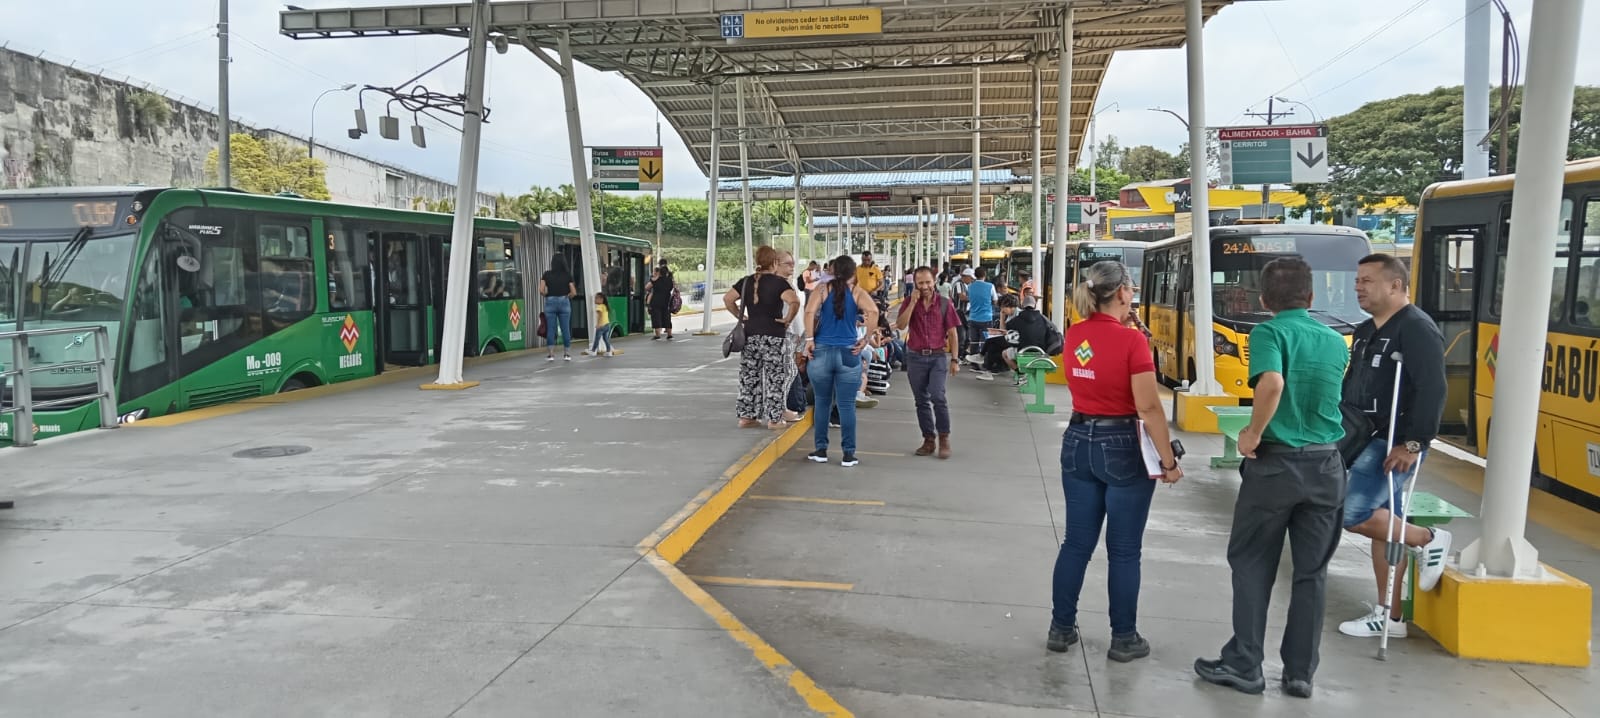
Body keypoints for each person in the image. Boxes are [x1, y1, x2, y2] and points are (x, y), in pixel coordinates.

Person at [1194, 257, 1350, 699]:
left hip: (1277, 465)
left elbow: (1273, 384)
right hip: (1325, 466)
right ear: (1312, 297)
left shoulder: (1269, 332)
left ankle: (1245, 663)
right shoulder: (1336, 340)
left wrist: (1252, 433)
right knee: (1311, 572)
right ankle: (1300, 672)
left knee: (1251, 562)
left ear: (1264, 300)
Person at [1049, 260, 1183, 663]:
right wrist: (1167, 462)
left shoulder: (1075, 334)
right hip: (1122, 444)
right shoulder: (1131, 342)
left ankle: (1061, 627)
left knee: (1076, 543)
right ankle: (1123, 638)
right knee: (1124, 550)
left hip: (1078, 439)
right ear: (1123, 292)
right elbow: (1148, 407)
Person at [1335, 253, 1451, 639]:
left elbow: (1433, 389)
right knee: (1386, 526)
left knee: (1353, 513)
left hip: (1394, 441)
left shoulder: (1416, 329)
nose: (1359, 287)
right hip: (1363, 436)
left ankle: (1428, 539)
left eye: (1367, 280)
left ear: (1396, 286)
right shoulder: (1367, 330)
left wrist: (1414, 443)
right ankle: (1391, 616)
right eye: (1358, 280)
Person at [804, 254, 879, 467]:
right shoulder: (857, 292)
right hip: (849, 353)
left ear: (833, 271)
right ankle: (848, 454)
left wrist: (810, 339)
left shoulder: (821, 290)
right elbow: (873, 311)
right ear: (853, 273)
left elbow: (809, 311)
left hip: (821, 353)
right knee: (846, 405)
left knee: (822, 402)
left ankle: (820, 450)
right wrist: (866, 339)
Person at [725, 246, 802, 430]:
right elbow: (794, 301)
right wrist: (787, 320)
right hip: (773, 336)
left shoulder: (746, 282)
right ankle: (775, 419)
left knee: (749, 376)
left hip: (750, 335)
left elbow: (728, 299)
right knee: (775, 377)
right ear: (774, 263)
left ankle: (746, 417)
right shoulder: (778, 283)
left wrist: (740, 316)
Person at [894, 266, 961, 459]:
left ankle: (944, 437)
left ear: (934, 282)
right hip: (915, 357)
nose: (925, 286)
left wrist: (955, 359)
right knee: (921, 400)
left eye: (928, 282)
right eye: (920, 283)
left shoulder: (944, 304)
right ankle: (928, 439)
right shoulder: (909, 301)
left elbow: (953, 333)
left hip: (937, 357)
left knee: (938, 396)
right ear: (914, 283)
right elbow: (900, 325)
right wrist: (913, 302)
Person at [540, 255, 577, 361]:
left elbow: (541, 290)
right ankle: (566, 354)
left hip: (550, 302)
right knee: (565, 329)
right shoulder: (567, 275)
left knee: (551, 329)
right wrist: (567, 296)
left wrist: (547, 295)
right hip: (564, 301)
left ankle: (551, 355)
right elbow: (573, 292)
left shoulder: (546, 274)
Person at [963, 267, 997, 359]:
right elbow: (995, 300)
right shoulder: (990, 286)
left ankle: (974, 363)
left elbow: (969, 298)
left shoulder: (970, 287)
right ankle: (984, 361)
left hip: (973, 317)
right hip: (986, 318)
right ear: (985, 275)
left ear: (975, 275)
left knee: (974, 341)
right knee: (985, 341)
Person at [646, 264, 676, 341]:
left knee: (656, 317)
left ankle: (658, 335)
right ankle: (669, 335)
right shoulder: (670, 280)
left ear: (659, 273)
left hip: (656, 301)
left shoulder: (655, 280)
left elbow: (647, 287)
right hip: (666, 301)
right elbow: (673, 287)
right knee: (667, 317)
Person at [582, 291, 614, 357]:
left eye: (596, 298)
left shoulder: (599, 306)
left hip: (601, 326)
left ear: (601, 299)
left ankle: (593, 351)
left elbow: (600, 316)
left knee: (597, 339)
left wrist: (598, 324)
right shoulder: (605, 306)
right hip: (607, 325)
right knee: (605, 339)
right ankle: (609, 351)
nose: (595, 299)